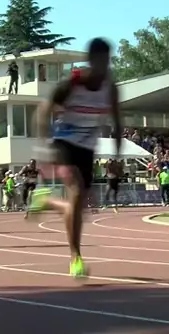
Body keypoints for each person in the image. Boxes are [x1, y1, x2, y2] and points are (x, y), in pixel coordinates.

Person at [29, 37, 121, 279]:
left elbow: (119, 123)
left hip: (87, 149)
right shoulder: (73, 83)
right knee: (77, 191)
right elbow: (43, 111)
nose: (104, 66)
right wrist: (44, 149)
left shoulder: (110, 88)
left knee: (79, 207)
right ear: (90, 60)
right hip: (64, 142)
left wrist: (118, 156)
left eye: (107, 60)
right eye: (99, 61)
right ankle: (75, 258)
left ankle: (46, 200)